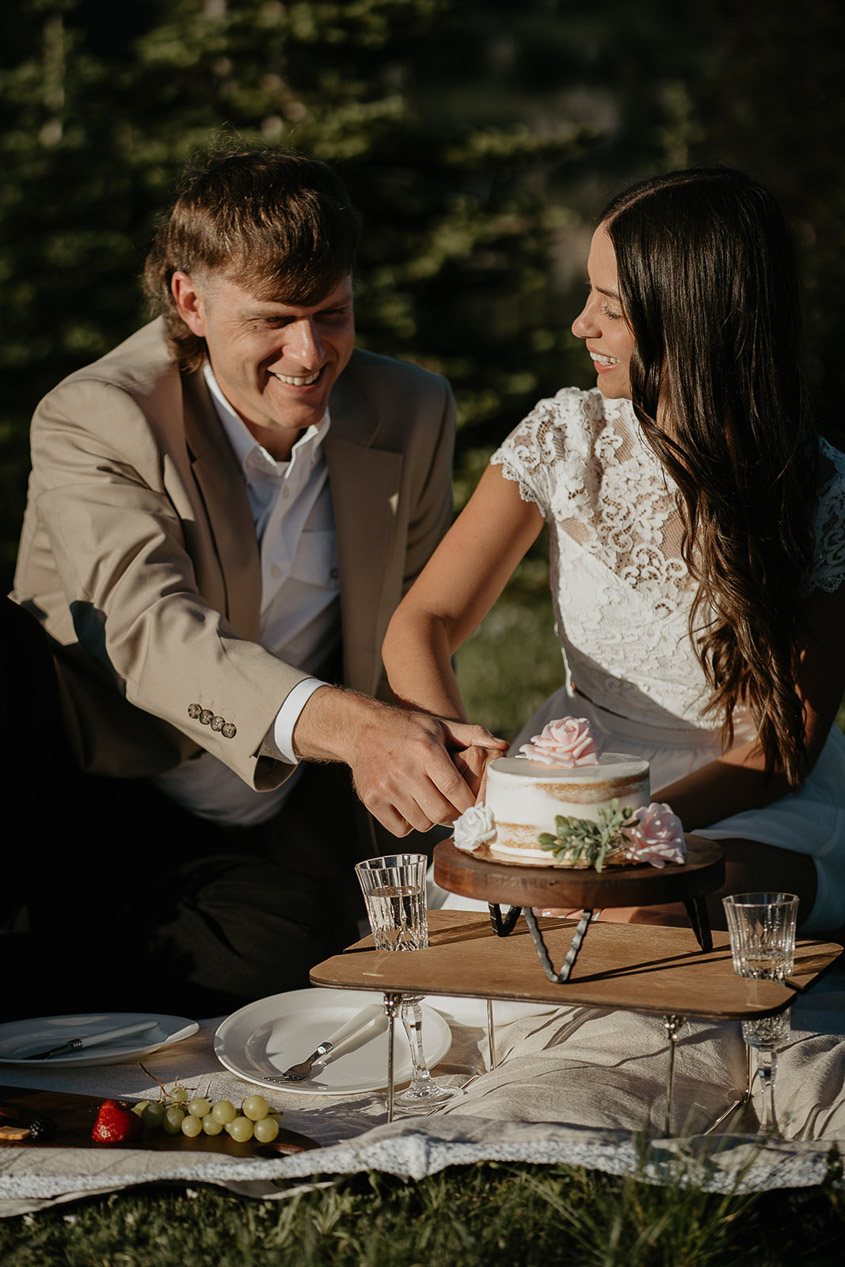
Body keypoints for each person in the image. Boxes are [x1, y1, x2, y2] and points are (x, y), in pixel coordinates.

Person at [9, 147, 504, 1016]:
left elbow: (414, 623)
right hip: (91, 786)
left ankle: (64, 968)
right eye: (274, 319)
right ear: (189, 300)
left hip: (276, 821)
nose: (310, 354)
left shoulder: (413, 409)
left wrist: (442, 763)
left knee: (293, 947)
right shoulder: (97, 416)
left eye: (334, 312)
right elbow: (149, 630)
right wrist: (355, 729)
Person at [383, 167, 845, 934]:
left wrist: (615, 832)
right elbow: (424, 617)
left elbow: (778, 753)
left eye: (610, 307)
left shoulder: (818, 490)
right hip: (569, 775)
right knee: (496, 931)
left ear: (690, 322)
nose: (579, 326)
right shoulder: (563, 439)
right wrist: (460, 752)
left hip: (741, 803)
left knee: (643, 915)